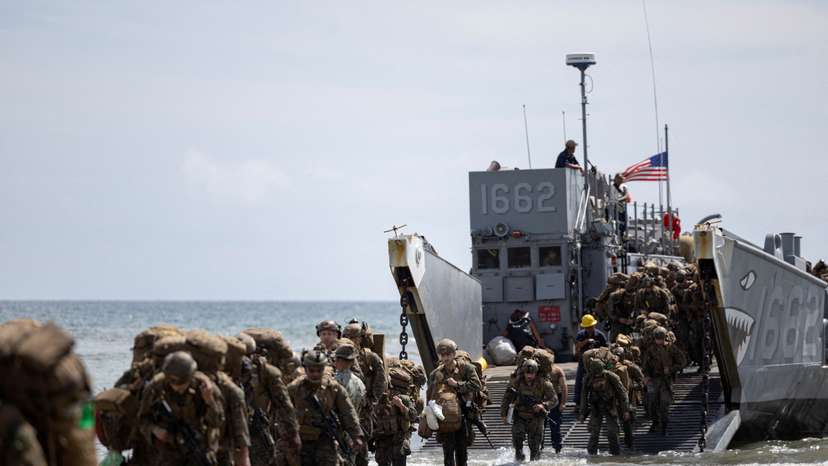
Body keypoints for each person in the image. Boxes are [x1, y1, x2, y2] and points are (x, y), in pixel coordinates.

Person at [138, 351, 224, 466]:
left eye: (182, 384)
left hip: (198, 445)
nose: (176, 388)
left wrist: (209, 401)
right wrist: (154, 430)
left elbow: (218, 422)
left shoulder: (206, 388)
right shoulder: (155, 387)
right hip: (167, 449)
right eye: (172, 382)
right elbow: (141, 419)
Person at [288, 350, 363, 466]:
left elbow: (348, 412)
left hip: (324, 439)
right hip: (300, 439)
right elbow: (283, 413)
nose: (315, 374)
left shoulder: (333, 388)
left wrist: (356, 435)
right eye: (311, 371)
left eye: (319, 370)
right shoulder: (294, 388)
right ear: (305, 368)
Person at [427, 339, 482, 466]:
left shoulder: (466, 368)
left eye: (448, 355)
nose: (445, 358)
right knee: (448, 452)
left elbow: (476, 385)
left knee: (461, 452)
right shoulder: (436, 374)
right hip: (445, 417)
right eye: (442, 355)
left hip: (463, 414)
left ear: (453, 354)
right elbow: (430, 395)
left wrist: (457, 384)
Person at [501, 360, 558, 462]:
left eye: (532, 374)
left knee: (535, 447)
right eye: (527, 373)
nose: (529, 376)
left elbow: (554, 400)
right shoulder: (516, 382)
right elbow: (507, 398)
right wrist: (504, 415)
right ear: (524, 372)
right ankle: (518, 460)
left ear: (536, 373)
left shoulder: (544, 383)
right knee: (517, 441)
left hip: (536, 417)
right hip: (520, 415)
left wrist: (543, 405)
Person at [641, 326, 686, 435]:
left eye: (661, 338)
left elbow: (683, 362)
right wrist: (646, 376)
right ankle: (655, 422)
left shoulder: (671, 348)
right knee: (652, 403)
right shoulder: (651, 350)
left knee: (664, 404)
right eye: (657, 339)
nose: (659, 341)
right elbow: (646, 366)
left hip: (666, 380)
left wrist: (671, 370)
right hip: (654, 380)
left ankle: (664, 427)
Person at [579, 358, 629, 455]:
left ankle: (615, 454)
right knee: (594, 432)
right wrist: (582, 413)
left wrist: (625, 410)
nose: (598, 375)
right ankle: (591, 454)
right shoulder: (588, 378)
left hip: (610, 406)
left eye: (599, 373)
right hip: (596, 407)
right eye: (595, 373)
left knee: (612, 432)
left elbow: (623, 393)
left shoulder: (611, 376)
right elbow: (583, 396)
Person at [573, 314, 607, 408]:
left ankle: (602, 401)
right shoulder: (580, 335)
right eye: (587, 327)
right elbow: (577, 346)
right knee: (580, 380)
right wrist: (586, 341)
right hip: (584, 361)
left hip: (598, 362)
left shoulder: (600, 335)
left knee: (602, 380)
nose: (589, 329)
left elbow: (605, 349)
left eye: (591, 327)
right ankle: (578, 403)